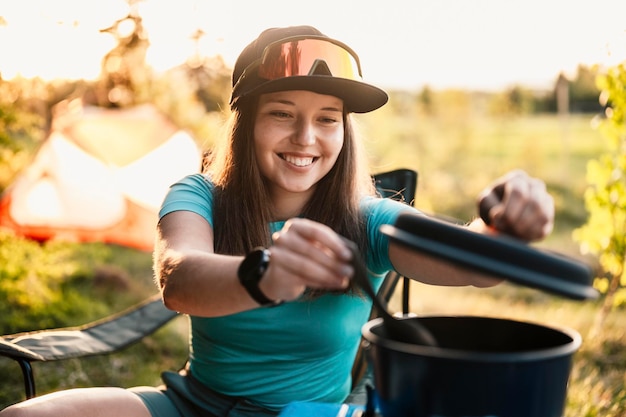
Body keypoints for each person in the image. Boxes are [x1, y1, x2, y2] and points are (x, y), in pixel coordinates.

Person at [0, 25, 554, 417]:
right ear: (245, 126)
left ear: (344, 131)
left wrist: (507, 229)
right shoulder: (199, 196)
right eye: (282, 115)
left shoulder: (369, 220)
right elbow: (180, 278)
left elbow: (475, 263)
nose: (306, 139)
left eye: (327, 119)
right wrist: (263, 274)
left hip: (312, 413)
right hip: (194, 405)